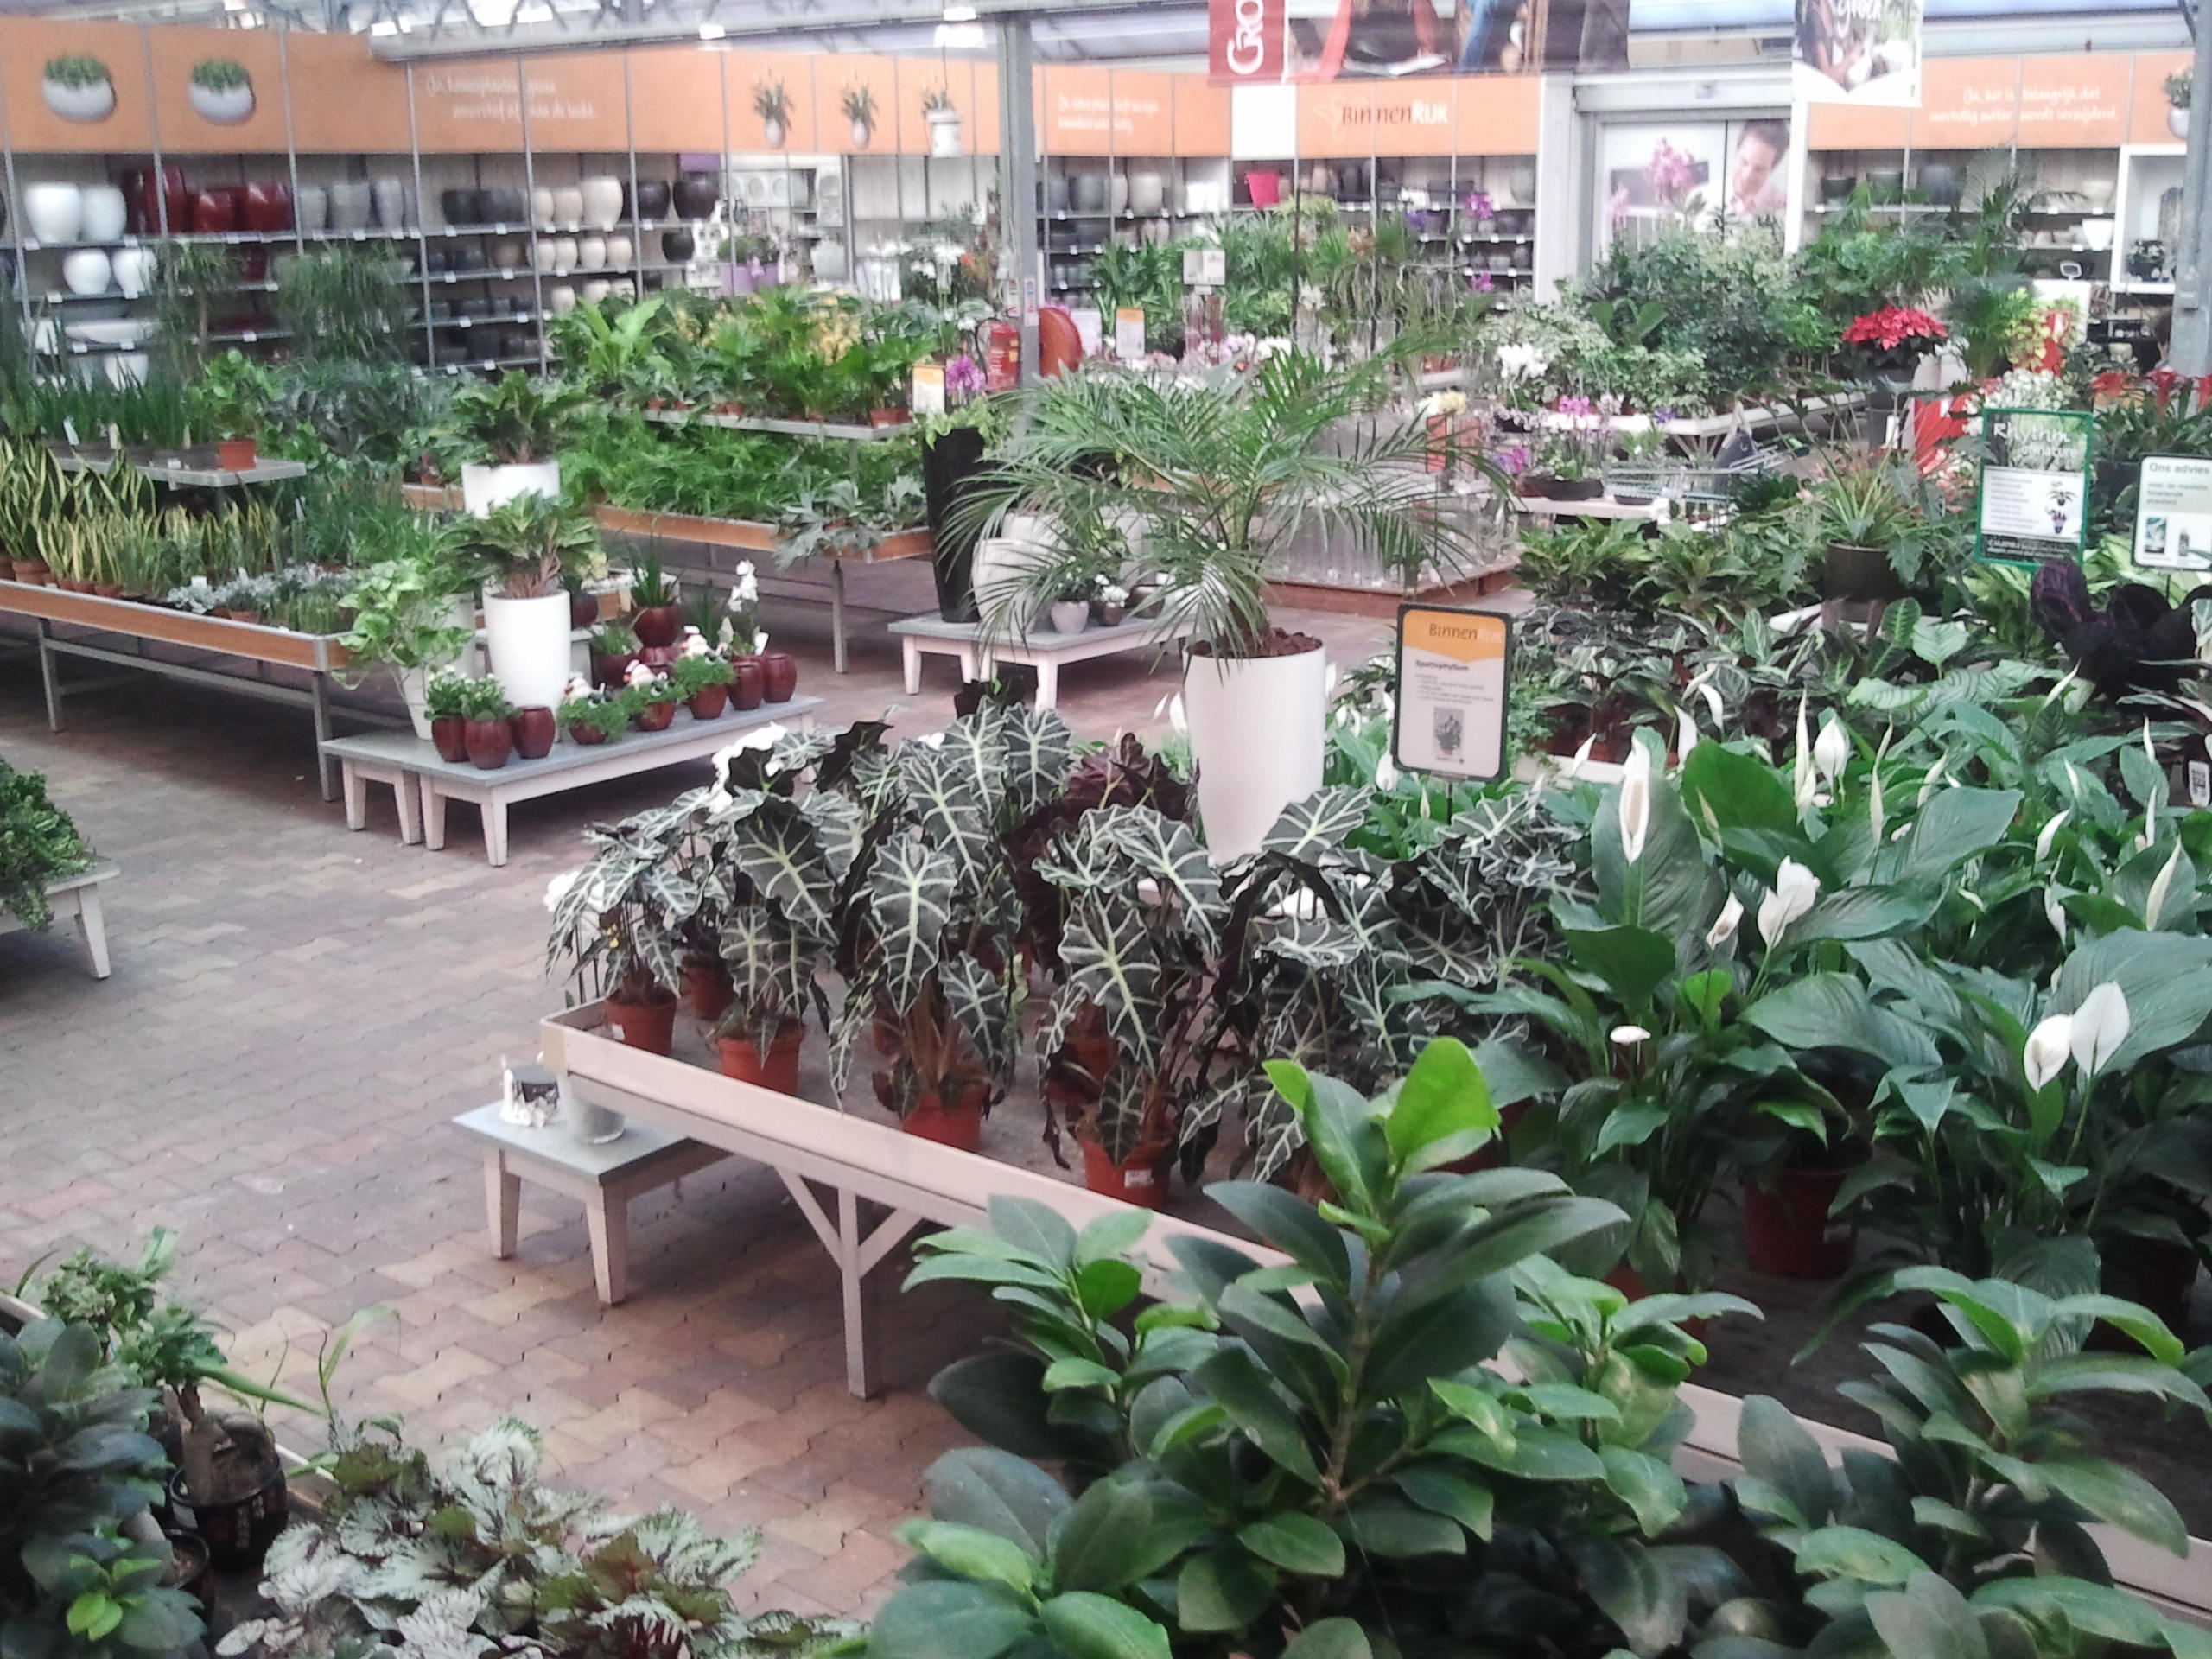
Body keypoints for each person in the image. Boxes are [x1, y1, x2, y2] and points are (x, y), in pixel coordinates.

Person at [1727, 120, 1790, 221]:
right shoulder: (1702, 199)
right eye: (1744, 162)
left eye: (1759, 169)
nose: (1747, 176)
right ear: (1736, 153)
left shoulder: (1786, 209)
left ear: (1773, 168)